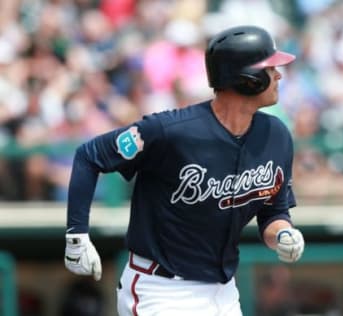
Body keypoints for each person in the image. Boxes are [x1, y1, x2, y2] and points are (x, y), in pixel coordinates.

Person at [64, 25, 305, 316]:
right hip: (161, 289)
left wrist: (283, 234)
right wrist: (77, 234)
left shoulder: (276, 135)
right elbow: (90, 156)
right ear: (248, 79)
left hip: (224, 291)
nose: (279, 75)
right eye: (270, 68)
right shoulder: (170, 131)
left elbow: (273, 213)